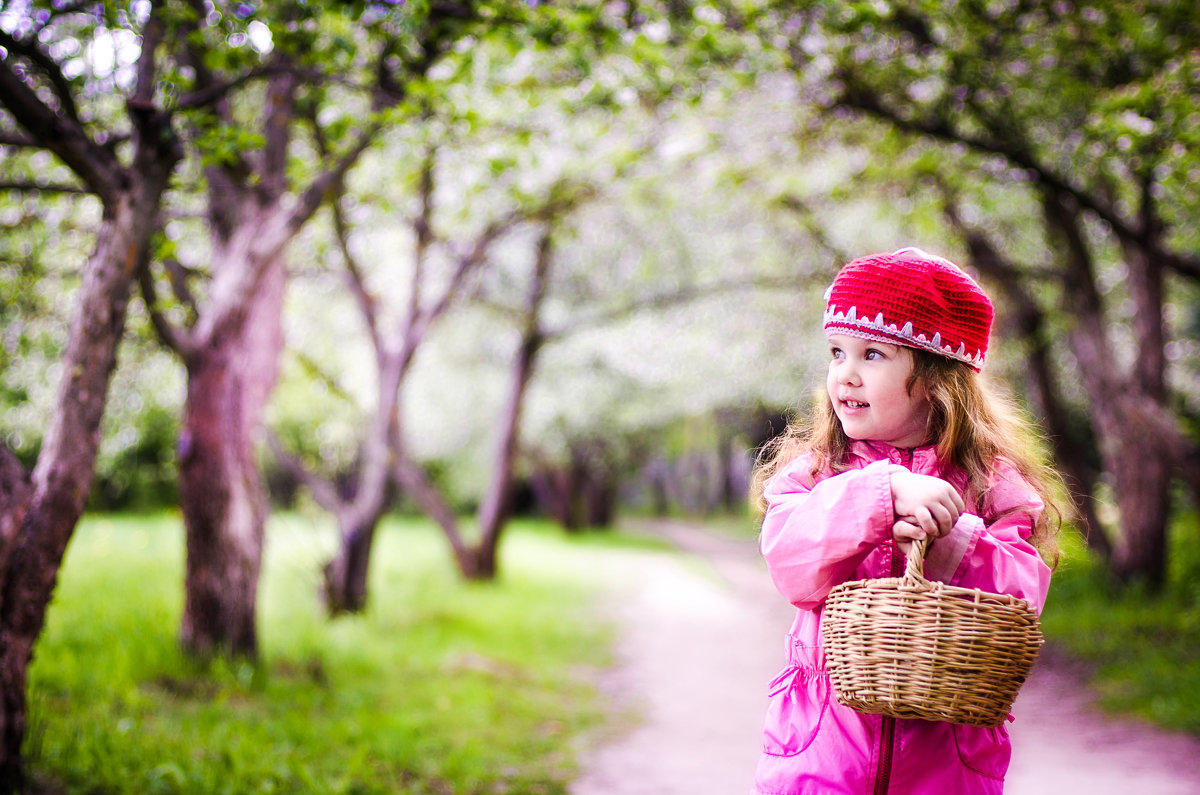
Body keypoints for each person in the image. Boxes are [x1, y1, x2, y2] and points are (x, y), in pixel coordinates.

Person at [749, 248, 1066, 795]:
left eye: (873, 355)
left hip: (945, 763)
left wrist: (956, 542)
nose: (845, 374)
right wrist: (878, 494)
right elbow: (790, 561)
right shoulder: (820, 473)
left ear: (939, 379)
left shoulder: (991, 483)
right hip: (823, 753)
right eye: (836, 352)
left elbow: (1024, 594)